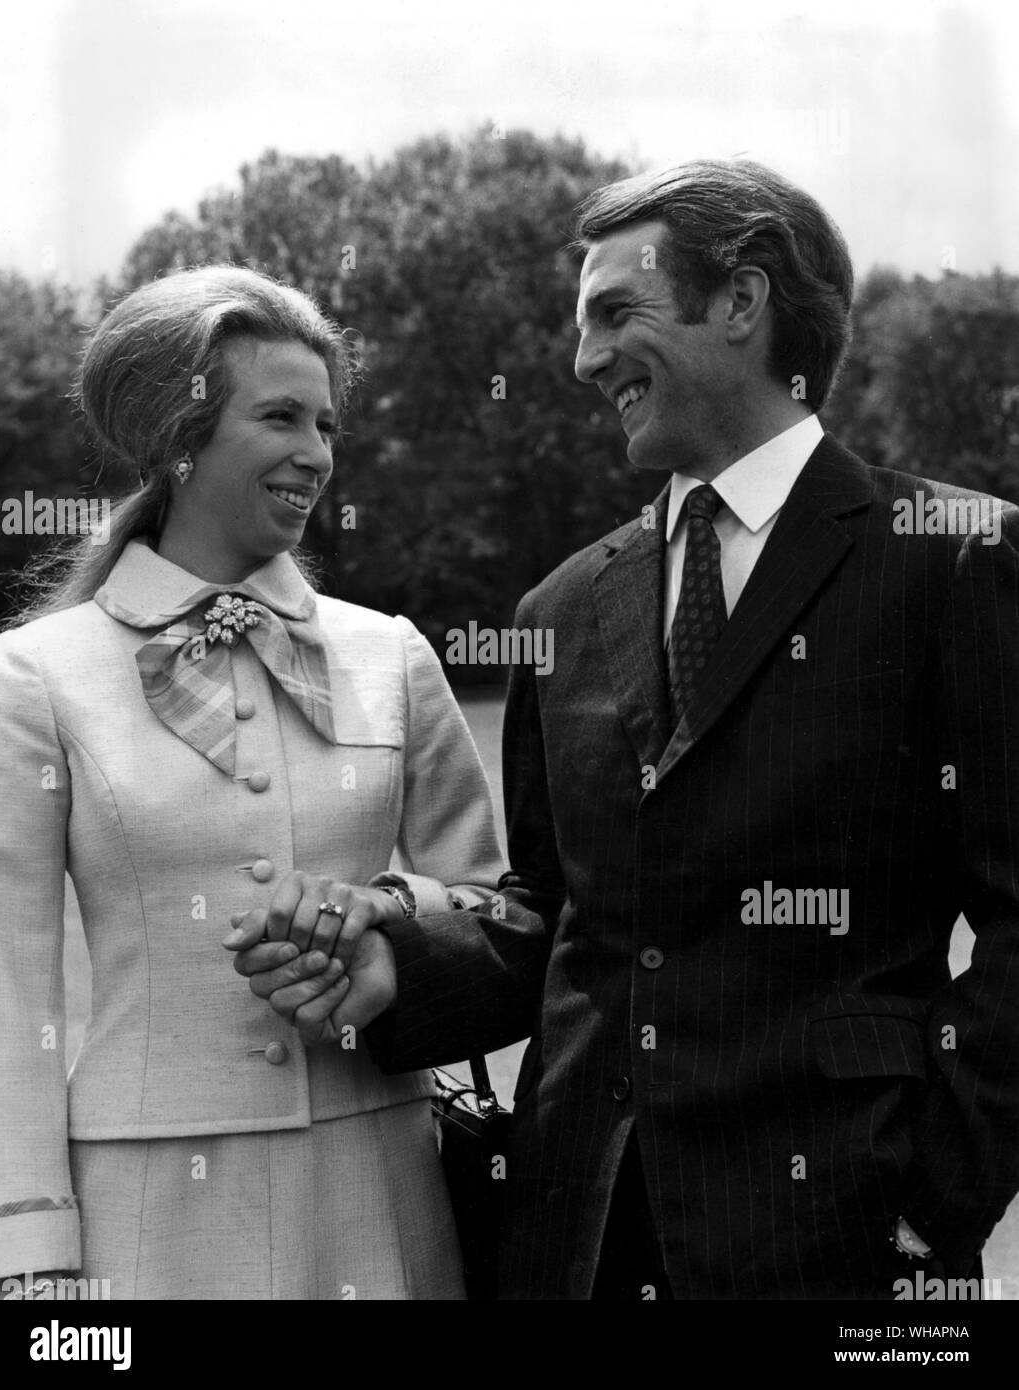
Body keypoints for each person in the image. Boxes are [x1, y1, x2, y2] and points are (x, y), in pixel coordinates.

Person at [236, 160, 1019, 1299]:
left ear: (742, 303)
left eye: (615, 313)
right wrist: (396, 959)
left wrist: (925, 1210)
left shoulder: (954, 557)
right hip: (575, 1237)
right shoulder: (559, 609)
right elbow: (551, 915)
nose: (582, 358)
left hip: (845, 1246)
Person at [0, 265, 504, 1300]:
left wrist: (390, 924)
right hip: (145, 1222)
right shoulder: (36, 677)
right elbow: (3, 989)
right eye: (280, 417)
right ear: (179, 437)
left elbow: (502, 913)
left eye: (326, 423)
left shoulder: (389, 655)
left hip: (385, 1192)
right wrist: (26, 1259)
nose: (316, 454)